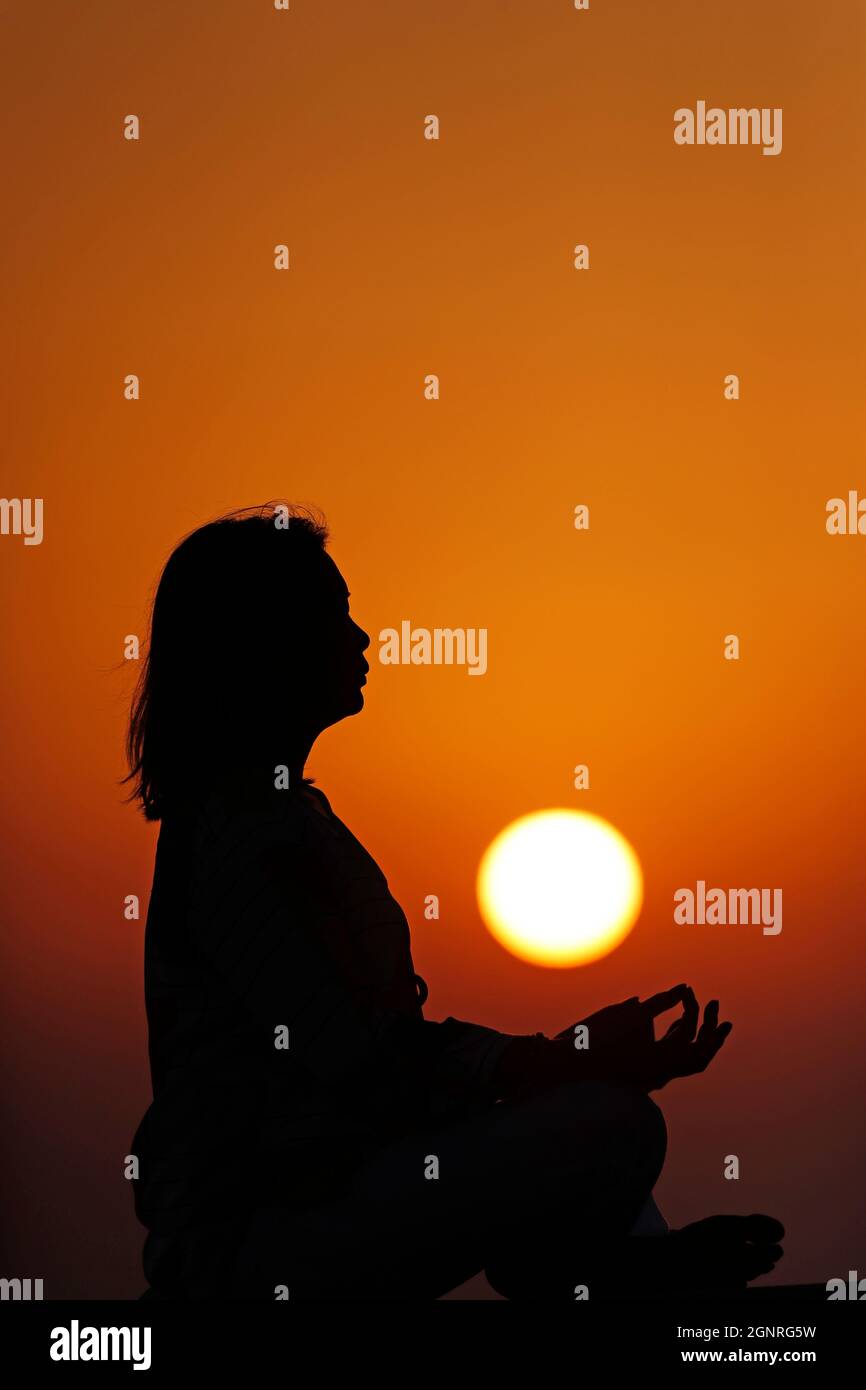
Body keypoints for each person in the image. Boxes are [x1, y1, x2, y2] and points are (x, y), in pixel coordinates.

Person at [126, 503, 784, 1300]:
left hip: (318, 1206)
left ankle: (619, 1266)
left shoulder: (285, 818)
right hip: (255, 1245)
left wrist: (570, 1063)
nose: (363, 638)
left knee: (603, 1115)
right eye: (335, 615)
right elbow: (360, 1066)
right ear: (267, 644)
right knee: (614, 1125)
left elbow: (382, 1065)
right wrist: (561, 1058)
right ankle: (623, 1273)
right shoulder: (237, 835)